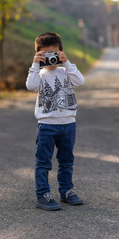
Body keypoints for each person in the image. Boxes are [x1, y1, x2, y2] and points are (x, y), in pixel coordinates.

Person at [26, 32, 85, 211]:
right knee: (43, 161)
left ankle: (66, 191)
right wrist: (35, 65)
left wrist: (66, 62)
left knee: (67, 160)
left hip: (68, 124)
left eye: (54, 54)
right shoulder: (40, 74)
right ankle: (42, 194)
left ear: (60, 52)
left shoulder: (65, 71)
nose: (50, 59)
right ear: (38, 55)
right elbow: (31, 86)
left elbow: (80, 81)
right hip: (47, 126)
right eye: (45, 55)